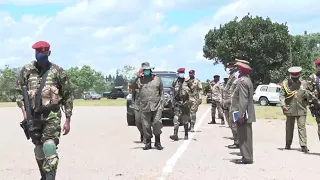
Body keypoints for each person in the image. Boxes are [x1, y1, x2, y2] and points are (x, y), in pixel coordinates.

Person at [15, 41, 73, 179]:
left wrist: (68, 119)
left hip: (52, 115)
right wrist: (25, 115)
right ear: (35, 53)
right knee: (39, 149)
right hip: (33, 116)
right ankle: (44, 175)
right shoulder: (26, 71)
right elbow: (19, 94)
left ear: (49, 53)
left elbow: (67, 95)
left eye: (44, 52)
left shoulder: (58, 71)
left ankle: (50, 177)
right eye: (38, 52)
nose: (41, 55)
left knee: (49, 146)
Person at [133, 62, 164, 150]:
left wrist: (162, 104)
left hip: (156, 105)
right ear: (142, 71)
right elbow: (131, 88)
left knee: (157, 123)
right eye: (144, 70)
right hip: (144, 106)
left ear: (150, 70)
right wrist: (137, 77)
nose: (146, 71)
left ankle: (158, 142)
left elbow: (161, 92)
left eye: (148, 70)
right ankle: (148, 142)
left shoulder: (157, 79)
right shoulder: (139, 80)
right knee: (146, 125)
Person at [280, 66, 309, 153]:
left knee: (302, 127)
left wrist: (307, 97)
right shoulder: (285, 84)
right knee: (289, 127)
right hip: (290, 108)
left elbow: (308, 95)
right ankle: (288, 144)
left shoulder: (304, 83)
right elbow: (281, 95)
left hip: (301, 108)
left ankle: (303, 145)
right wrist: (283, 105)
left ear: (299, 74)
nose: (295, 78)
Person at [233, 62, 256, 164]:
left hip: (243, 113)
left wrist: (240, 115)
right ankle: (247, 156)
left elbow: (243, 100)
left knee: (243, 136)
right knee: (246, 136)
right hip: (247, 112)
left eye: (239, 70)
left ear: (241, 71)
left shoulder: (242, 82)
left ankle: (246, 157)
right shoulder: (248, 80)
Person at [227, 59, 249, 149]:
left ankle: (238, 142)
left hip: (238, 106)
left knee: (236, 123)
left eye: (238, 66)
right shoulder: (237, 76)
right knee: (233, 123)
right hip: (235, 104)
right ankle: (237, 141)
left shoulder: (242, 79)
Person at [170, 68, 191, 140]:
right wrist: (172, 103)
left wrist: (189, 102)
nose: (181, 74)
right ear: (178, 73)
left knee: (185, 119)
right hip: (177, 103)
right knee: (176, 118)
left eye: (182, 73)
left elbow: (191, 93)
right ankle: (175, 134)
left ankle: (186, 134)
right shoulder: (175, 82)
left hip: (185, 103)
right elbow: (172, 93)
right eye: (180, 73)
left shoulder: (188, 82)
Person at [306, 59, 320, 142]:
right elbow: (308, 91)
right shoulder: (313, 77)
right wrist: (315, 100)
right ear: (316, 67)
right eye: (318, 66)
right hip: (318, 107)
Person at [131, 68, 144, 142]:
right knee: (138, 122)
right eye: (140, 73)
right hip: (138, 105)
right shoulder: (136, 81)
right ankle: (142, 133)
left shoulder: (149, 81)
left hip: (146, 104)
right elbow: (133, 94)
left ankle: (146, 136)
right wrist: (133, 104)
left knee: (146, 122)